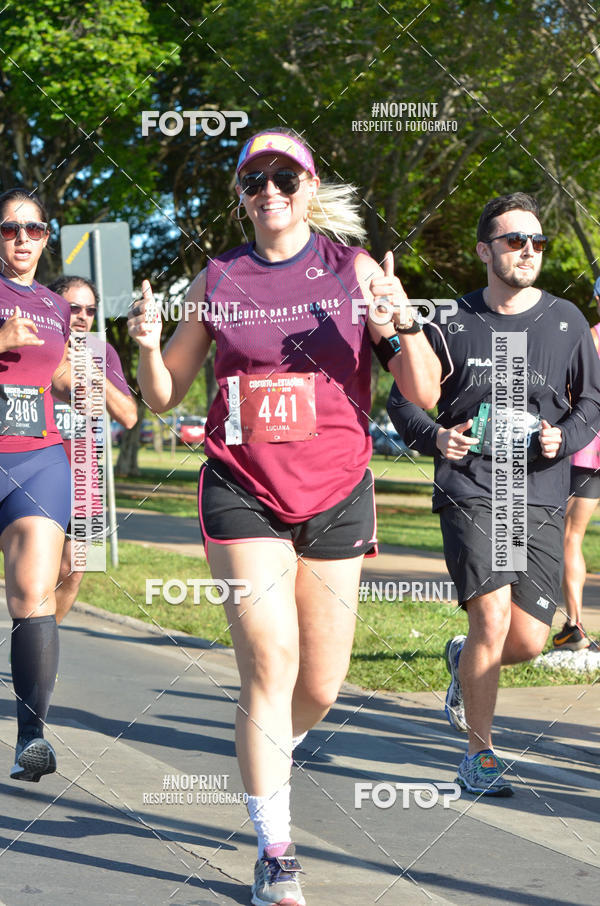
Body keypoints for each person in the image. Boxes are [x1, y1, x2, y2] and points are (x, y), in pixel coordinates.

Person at [128, 127, 441, 906]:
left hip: (336, 489)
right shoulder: (218, 276)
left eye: (284, 177)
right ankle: (275, 849)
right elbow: (164, 395)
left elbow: (425, 392)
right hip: (241, 489)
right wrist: (141, 347)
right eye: (254, 179)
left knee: (321, 686)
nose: (269, 190)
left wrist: (395, 321)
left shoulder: (353, 268)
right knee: (268, 665)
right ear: (240, 195)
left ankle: (272, 750)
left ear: (309, 186)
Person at [387, 193, 600, 797]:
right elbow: (403, 398)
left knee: (530, 641)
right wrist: (435, 438)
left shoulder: (565, 321)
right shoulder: (450, 322)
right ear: (486, 250)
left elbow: (593, 400)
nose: (528, 251)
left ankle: (462, 662)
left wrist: (568, 436)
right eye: (514, 241)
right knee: (492, 617)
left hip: (538, 490)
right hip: (475, 486)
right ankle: (479, 757)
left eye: (537, 242)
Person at [0, 187, 72, 782]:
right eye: (9, 229)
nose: (22, 239)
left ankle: (31, 738)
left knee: (32, 593)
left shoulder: (56, 306)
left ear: (48, 236)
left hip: (38, 458)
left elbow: (62, 374)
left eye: (34, 229)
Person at [48, 275, 137, 625]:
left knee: (73, 570)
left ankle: (42, 644)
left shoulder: (103, 353)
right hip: (33, 470)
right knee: (29, 569)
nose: (82, 316)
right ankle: (28, 645)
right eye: (73, 308)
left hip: (84, 480)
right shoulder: (32, 346)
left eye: (90, 310)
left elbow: (128, 416)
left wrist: (91, 371)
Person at [555, 276, 600, 650]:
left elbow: (570, 394)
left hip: (589, 452)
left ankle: (575, 628)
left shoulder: (589, 339)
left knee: (572, 535)